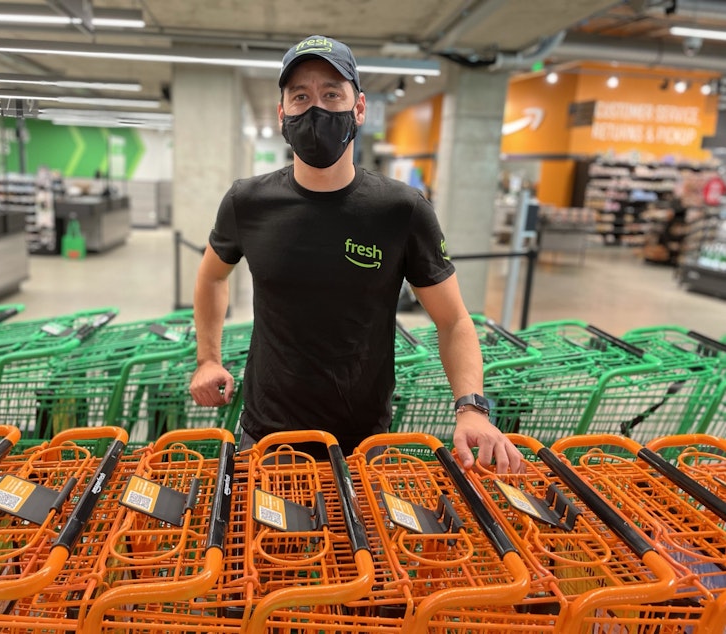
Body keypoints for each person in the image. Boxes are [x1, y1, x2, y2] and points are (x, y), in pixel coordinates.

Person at [189, 35, 522, 472]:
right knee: (263, 543)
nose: (316, 109)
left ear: (359, 108)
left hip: (363, 440)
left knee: (359, 543)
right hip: (267, 435)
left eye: (332, 94)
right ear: (282, 113)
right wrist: (207, 359)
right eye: (301, 97)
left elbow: (454, 319)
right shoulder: (247, 202)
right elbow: (212, 275)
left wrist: (472, 407)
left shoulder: (402, 210)